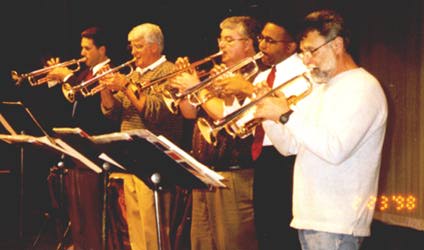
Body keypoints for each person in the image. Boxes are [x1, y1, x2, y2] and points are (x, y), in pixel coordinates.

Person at [254, 9, 388, 250]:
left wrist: (285, 114)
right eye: (303, 52)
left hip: (337, 223)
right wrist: (268, 113)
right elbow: (289, 147)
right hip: (309, 217)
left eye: (311, 51)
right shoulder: (321, 88)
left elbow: (334, 149)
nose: (306, 60)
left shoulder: (362, 87)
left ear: (336, 44)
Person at [171, 15, 262, 250]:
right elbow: (191, 114)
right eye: (221, 39)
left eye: (230, 39)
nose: (221, 44)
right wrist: (182, 88)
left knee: (230, 244)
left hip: (234, 174)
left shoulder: (254, 76)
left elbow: (223, 114)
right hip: (205, 172)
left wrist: (198, 90)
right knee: (202, 243)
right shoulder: (217, 73)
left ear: (249, 43)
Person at [99, 22, 185, 250]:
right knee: (135, 226)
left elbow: (154, 112)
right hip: (132, 156)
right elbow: (115, 112)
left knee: (154, 227)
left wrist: (126, 84)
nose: (133, 52)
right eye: (132, 47)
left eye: (138, 47)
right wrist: (105, 89)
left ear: (155, 47)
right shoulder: (135, 73)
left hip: (155, 158)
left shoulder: (169, 71)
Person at [44, 26, 119, 250]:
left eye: (87, 48)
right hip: (80, 152)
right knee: (78, 217)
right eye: (82, 47)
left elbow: (95, 111)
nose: (82, 52)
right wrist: (57, 80)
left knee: (91, 217)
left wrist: (67, 76)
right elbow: (73, 104)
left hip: (96, 152)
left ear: (102, 49)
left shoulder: (108, 72)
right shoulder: (85, 73)